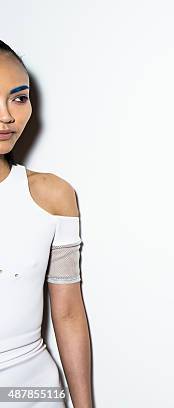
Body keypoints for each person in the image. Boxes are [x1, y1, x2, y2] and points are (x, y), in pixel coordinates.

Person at [0, 40, 92, 407]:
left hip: (32, 393)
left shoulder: (53, 196)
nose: (7, 115)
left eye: (18, 98)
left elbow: (68, 312)